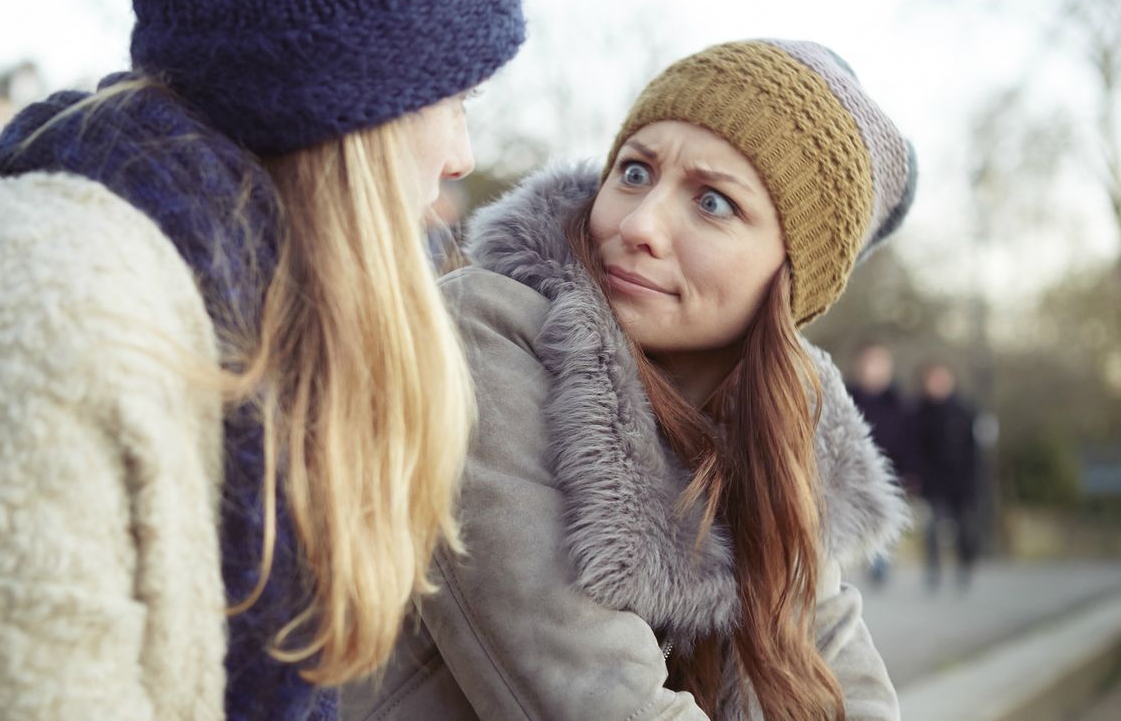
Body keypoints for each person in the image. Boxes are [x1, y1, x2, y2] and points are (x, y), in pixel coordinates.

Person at [0, 0, 524, 718]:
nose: (462, 157)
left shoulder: (245, 321)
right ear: (354, 98)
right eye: (455, 98)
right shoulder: (38, 302)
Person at [344, 40, 917, 720]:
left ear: (792, 279)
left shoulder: (782, 431)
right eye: (635, 173)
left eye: (712, 202)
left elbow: (842, 675)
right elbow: (592, 694)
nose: (640, 225)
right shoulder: (480, 336)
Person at [848, 340, 918, 586]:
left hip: (890, 470)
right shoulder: (846, 395)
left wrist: (910, 471)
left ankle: (879, 561)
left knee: (882, 516)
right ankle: (865, 559)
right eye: (868, 362)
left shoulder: (900, 401)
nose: (873, 369)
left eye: (879, 363)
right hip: (853, 468)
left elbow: (911, 439)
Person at [915, 362, 982, 593]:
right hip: (933, 484)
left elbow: (974, 452)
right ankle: (934, 569)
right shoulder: (920, 412)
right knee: (932, 529)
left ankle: (965, 566)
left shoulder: (964, 411)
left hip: (960, 483)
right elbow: (916, 449)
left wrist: (973, 483)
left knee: (964, 529)